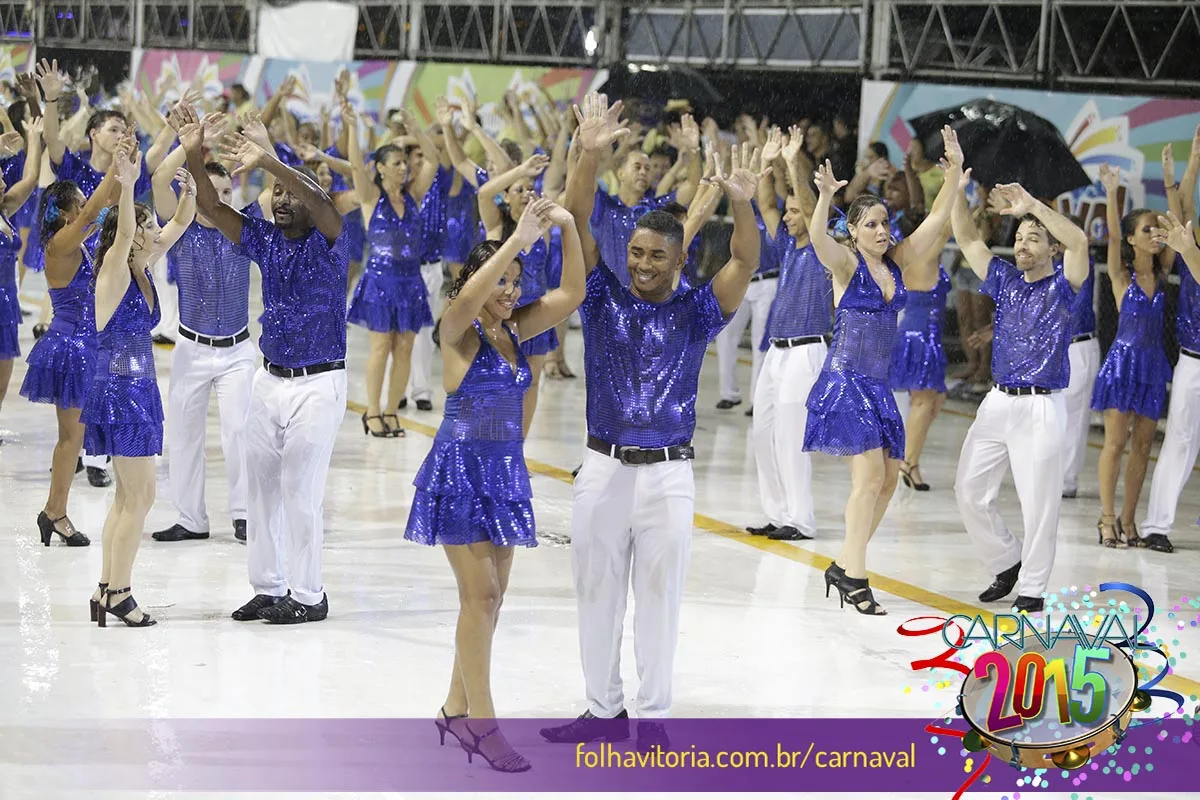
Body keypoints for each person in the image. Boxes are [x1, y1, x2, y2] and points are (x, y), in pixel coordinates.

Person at [539, 94, 763, 749]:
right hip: (603, 467)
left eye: (654, 257)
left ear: (678, 259)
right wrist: (588, 154)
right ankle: (603, 710)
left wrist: (743, 202)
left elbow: (745, 261)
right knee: (596, 593)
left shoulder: (697, 310)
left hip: (668, 475)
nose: (640, 264)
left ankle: (654, 717)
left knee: (660, 601)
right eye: (634, 253)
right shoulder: (601, 296)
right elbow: (577, 224)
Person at [404, 197, 584, 773]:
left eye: (515, 281)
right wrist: (515, 240)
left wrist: (571, 229)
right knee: (478, 596)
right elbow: (463, 303)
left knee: (491, 600)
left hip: (504, 473)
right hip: (459, 472)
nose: (509, 290)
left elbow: (573, 294)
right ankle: (482, 724)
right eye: (500, 281)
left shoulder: (516, 331)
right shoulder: (457, 331)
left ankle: (455, 708)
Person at [172, 102, 348, 624]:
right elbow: (213, 206)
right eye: (277, 193)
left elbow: (322, 200)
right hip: (268, 379)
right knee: (263, 487)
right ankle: (269, 587)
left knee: (300, 489)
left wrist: (272, 161)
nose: (284, 199)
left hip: (320, 384)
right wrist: (193, 152)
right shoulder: (265, 239)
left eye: (291, 192)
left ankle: (310, 595)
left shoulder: (333, 242)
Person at [802, 127, 961, 617]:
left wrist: (953, 176)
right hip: (845, 381)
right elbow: (816, 240)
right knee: (869, 478)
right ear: (853, 231)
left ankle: (844, 564)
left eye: (884, 222)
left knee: (890, 481)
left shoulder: (894, 263)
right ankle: (858, 579)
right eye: (870, 224)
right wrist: (826, 197)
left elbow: (936, 223)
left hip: (876, 387)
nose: (880, 230)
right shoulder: (845, 265)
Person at [950, 154, 1091, 614]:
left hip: (1042, 406)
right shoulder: (1007, 281)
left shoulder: (1065, 285)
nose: (1024, 242)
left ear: (1051, 250)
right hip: (998, 401)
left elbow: (1079, 240)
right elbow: (967, 237)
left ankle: (1032, 586)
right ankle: (1006, 560)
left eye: (1035, 237)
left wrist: (1032, 204)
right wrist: (955, 186)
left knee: (1040, 504)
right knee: (968, 490)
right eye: (1022, 235)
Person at [88, 155, 195, 627]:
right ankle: (121, 594)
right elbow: (128, 235)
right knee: (142, 497)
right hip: (119, 395)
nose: (155, 232)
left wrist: (191, 191)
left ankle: (105, 587)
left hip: (140, 392)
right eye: (147, 226)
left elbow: (180, 225)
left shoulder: (143, 266)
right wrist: (127, 186)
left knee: (126, 498)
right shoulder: (113, 270)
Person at [145, 111, 261, 545]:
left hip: (237, 352)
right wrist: (190, 145)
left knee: (238, 431)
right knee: (185, 433)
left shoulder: (245, 229)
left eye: (228, 191)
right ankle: (191, 517)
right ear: (194, 192)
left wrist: (262, 147)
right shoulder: (181, 228)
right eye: (214, 191)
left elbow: (273, 194)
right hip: (191, 349)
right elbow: (159, 179)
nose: (223, 198)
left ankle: (245, 513)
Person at [748, 127, 832, 541]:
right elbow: (765, 201)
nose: (787, 215)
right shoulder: (786, 245)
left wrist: (793, 161)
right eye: (789, 211)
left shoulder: (822, 247)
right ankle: (778, 512)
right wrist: (766, 163)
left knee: (790, 435)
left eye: (795, 211)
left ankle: (801, 518)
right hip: (777, 351)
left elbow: (811, 205)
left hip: (807, 350)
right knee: (763, 432)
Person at [1090, 165, 1174, 548]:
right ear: (1131, 238)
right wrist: (1111, 193)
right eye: (1147, 229)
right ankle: (1107, 519)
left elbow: (1179, 224)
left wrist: (1175, 180)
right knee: (1115, 444)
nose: (1155, 234)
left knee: (1143, 446)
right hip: (1123, 365)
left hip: (1153, 366)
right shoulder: (1120, 275)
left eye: (1158, 230)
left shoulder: (1164, 270)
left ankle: (1129, 519)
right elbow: (1110, 233)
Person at [343, 103, 438, 438]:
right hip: (381, 281)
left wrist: (414, 127)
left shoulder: (414, 194)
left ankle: (392, 411)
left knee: (406, 348)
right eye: (396, 163)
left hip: (411, 281)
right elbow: (356, 165)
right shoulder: (371, 197)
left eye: (404, 162)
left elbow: (433, 160)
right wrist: (353, 128)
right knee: (381, 347)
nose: (403, 168)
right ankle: (372, 412)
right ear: (381, 168)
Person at [0, 117, 43, 439]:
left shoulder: (6, 208)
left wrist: (33, 138)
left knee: (3, 376)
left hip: (6, 304)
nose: (4, 181)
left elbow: (30, 178)